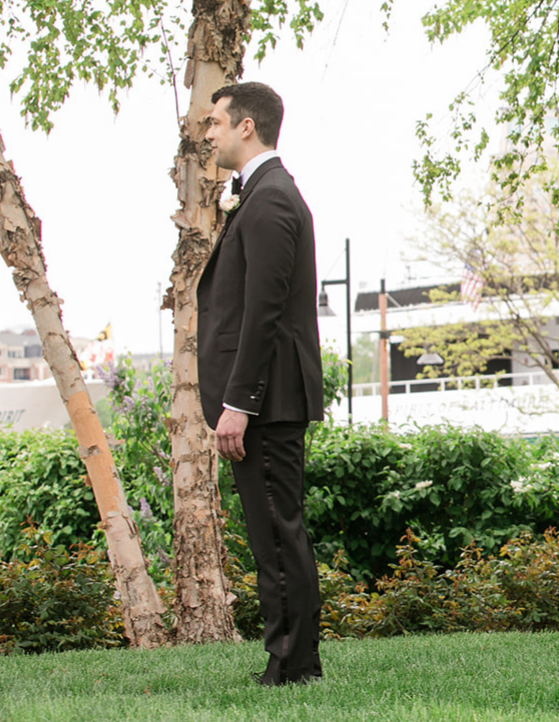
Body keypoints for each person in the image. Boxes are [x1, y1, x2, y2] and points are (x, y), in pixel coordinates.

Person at [197, 81, 324, 686]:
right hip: (264, 399)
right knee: (272, 530)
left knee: (277, 530)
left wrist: (238, 404)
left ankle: (292, 666)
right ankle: (294, 659)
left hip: (266, 400)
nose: (210, 132)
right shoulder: (262, 196)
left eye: (217, 122)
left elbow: (264, 312)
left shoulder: (271, 199)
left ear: (247, 126)